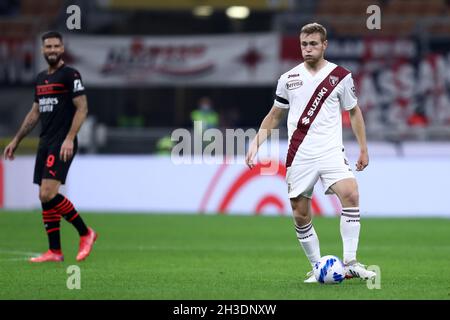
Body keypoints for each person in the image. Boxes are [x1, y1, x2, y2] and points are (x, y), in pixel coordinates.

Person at [245, 23, 376, 283]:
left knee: (351, 192)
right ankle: (318, 268)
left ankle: (350, 262)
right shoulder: (288, 79)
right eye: (304, 44)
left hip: (330, 150)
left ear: (324, 45)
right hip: (299, 154)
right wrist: (255, 143)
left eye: (313, 43)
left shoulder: (340, 76)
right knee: (300, 213)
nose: (308, 48)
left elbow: (354, 111)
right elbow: (274, 116)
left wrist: (363, 147)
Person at [3, 31, 97, 263]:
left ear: (62, 49)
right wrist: (16, 140)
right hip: (45, 142)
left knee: (48, 193)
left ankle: (86, 233)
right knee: (44, 197)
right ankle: (54, 251)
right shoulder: (41, 78)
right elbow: (34, 113)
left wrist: (69, 137)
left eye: (56, 46)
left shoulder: (70, 75)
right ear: (43, 50)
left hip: (62, 142)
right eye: (48, 46)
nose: (52, 50)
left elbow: (82, 108)